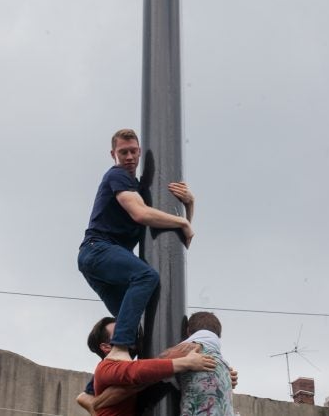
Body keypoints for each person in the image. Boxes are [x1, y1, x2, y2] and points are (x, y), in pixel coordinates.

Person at [78, 129, 195, 361]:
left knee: (134, 328)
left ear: (140, 151)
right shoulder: (117, 175)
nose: (129, 157)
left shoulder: (140, 189)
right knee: (145, 277)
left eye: (133, 151)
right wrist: (182, 220)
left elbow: (181, 238)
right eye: (123, 152)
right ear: (113, 154)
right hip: (98, 249)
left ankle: (101, 383)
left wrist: (190, 205)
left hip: (100, 260)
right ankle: (119, 349)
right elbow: (140, 214)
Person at [77, 315, 237, 416]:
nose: (128, 331)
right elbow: (84, 397)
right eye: (119, 331)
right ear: (106, 347)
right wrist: (185, 362)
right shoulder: (108, 368)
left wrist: (216, 375)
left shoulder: (129, 366)